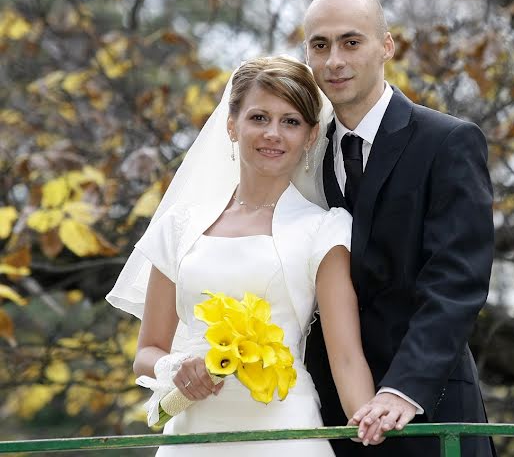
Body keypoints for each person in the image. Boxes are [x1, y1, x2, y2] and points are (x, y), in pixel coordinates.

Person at [107, 57, 384, 456]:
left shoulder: (324, 229)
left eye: (290, 121)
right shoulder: (179, 226)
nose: (273, 133)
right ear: (231, 125)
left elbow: (345, 357)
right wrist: (177, 368)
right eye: (259, 117)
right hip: (193, 435)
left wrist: (368, 422)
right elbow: (147, 351)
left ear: (310, 136)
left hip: (285, 433)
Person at [303, 0, 497, 457]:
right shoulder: (301, 151)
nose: (334, 61)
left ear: (386, 46)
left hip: (430, 407)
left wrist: (403, 388)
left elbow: (458, 280)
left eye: (352, 42)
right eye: (320, 45)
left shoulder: (448, 142)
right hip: (327, 417)